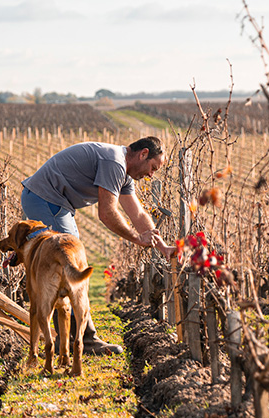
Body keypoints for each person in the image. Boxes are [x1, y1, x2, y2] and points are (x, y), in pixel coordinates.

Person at [19, 136, 175, 355]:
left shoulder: (123, 174)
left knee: (70, 266)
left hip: (51, 201)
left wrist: (164, 247)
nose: (151, 175)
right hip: (45, 199)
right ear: (143, 153)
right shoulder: (114, 162)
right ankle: (83, 339)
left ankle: (72, 337)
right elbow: (107, 213)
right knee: (72, 264)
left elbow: (138, 215)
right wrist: (136, 238)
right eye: (152, 168)